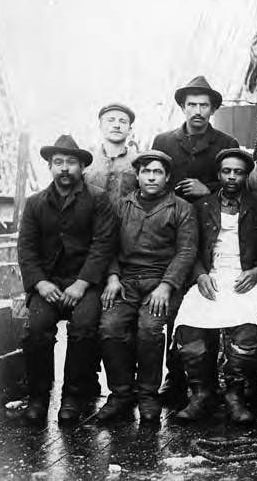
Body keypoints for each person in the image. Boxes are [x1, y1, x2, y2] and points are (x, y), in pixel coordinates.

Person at [151, 75, 239, 404]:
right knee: (177, 304)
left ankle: (211, 383)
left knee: (210, 296)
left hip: (211, 231)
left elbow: (236, 182)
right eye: (192, 105)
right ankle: (175, 377)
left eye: (204, 105)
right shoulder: (164, 140)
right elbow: (153, 180)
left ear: (213, 109)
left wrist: (209, 190)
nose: (198, 111)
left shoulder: (225, 140)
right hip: (172, 231)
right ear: (183, 107)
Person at [17, 135, 116, 424]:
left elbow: (103, 245)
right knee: (36, 329)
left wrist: (82, 283)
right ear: (49, 166)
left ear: (82, 167)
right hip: (47, 284)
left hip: (84, 282)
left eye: (71, 162)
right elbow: (26, 248)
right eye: (58, 162)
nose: (64, 168)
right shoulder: (35, 203)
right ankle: (38, 397)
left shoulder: (98, 199)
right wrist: (39, 283)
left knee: (84, 328)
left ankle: (73, 396)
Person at [96, 150, 197, 423]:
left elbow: (186, 251)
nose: (151, 177)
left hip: (161, 280)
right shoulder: (122, 206)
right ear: (138, 176)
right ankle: (120, 393)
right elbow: (108, 246)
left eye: (158, 172)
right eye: (146, 171)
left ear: (167, 178)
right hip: (126, 280)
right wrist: (113, 277)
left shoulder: (181, 208)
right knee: (110, 326)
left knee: (150, 329)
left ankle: (148, 394)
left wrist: (167, 285)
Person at [173, 148, 257, 423]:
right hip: (211, 276)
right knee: (190, 324)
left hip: (246, 277)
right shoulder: (201, 205)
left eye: (238, 172)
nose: (232, 177)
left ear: (246, 175)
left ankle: (234, 394)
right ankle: (201, 393)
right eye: (226, 171)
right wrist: (199, 275)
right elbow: (188, 247)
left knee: (246, 328)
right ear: (218, 174)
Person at [84, 102, 138, 207]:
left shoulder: (138, 162)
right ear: (100, 126)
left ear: (130, 130)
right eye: (110, 120)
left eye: (122, 121)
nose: (116, 125)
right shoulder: (87, 161)